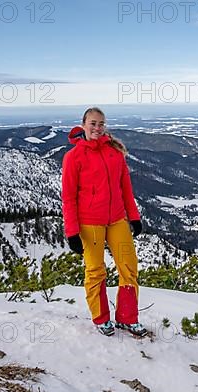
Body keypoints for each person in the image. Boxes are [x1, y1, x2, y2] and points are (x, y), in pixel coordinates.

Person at [61, 107, 146, 337]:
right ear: (83, 124)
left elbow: (125, 189)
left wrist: (134, 217)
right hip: (90, 223)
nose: (97, 128)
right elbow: (68, 197)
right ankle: (101, 318)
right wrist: (72, 232)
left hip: (117, 219)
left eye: (101, 124)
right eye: (93, 123)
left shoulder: (114, 152)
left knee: (128, 267)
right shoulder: (74, 157)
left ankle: (128, 318)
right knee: (96, 271)